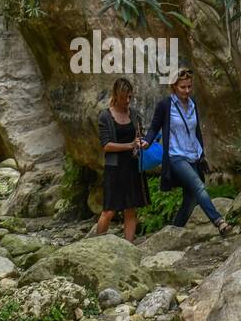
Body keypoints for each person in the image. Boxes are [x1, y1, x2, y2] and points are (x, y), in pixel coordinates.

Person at [141, 66, 232, 236]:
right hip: (176, 155)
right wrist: (146, 141)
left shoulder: (193, 103)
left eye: (189, 86)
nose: (187, 90)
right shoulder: (165, 105)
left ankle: (172, 234)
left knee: (190, 201)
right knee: (199, 186)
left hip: (194, 156)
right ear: (173, 87)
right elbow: (154, 128)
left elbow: (195, 131)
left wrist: (202, 154)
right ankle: (219, 222)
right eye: (183, 87)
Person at [95, 77, 149, 242]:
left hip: (132, 167)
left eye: (130, 97)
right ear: (116, 96)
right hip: (114, 168)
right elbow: (106, 145)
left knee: (130, 209)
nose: (127, 101)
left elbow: (139, 136)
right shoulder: (105, 116)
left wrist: (142, 142)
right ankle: (96, 246)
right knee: (109, 210)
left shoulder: (134, 115)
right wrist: (130, 145)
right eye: (124, 97)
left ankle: (129, 247)